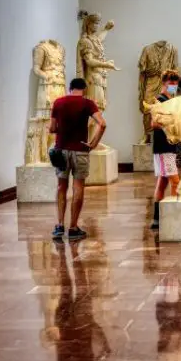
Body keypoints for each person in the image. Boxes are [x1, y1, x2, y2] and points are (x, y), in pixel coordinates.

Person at [50, 78, 106, 240]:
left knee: (61, 186)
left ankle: (60, 225)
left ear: (70, 88)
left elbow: (53, 128)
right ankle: (73, 227)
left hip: (61, 149)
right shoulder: (88, 103)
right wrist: (93, 144)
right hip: (81, 149)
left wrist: (57, 128)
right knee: (78, 186)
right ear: (84, 89)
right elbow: (102, 124)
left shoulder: (58, 103)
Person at [151, 70, 181, 229]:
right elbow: (154, 123)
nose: (174, 85)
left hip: (170, 146)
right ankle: (174, 216)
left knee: (162, 182)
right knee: (175, 181)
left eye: (176, 83)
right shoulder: (159, 100)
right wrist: (170, 123)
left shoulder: (171, 100)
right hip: (163, 147)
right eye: (171, 82)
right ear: (164, 83)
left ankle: (157, 219)